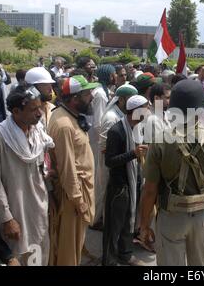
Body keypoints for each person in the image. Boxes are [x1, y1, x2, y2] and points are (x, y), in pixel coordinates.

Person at [140, 79, 204, 266]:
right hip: (202, 217)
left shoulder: (160, 141)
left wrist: (144, 226)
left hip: (171, 216)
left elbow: (149, 191)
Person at [0, 88, 53, 266]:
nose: (39, 113)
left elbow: (40, 163)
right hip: (15, 211)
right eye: (33, 109)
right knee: (16, 256)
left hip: (37, 207)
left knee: (37, 253)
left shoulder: (37, 131)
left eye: (40, 108)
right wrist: (7, 219)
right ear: (16, 111)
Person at [48, 75, 98, 266]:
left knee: (75, 245)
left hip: (76, 192)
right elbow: (67, 168)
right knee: (68, 250)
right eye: (87, 94)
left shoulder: (68, 115)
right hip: (72, 197)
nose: (91, 97)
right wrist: (79, 201)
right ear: (75, 98)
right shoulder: (64, 125)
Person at [102, 95, 149, 266]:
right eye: (145, 108)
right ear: (136, 111)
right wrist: (133, 154)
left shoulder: (136, 128)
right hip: (119, 186)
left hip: (132, 182)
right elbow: (110, 161)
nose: (148, 111)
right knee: (114, 226)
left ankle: (125, 254)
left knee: (129, 221)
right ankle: (110, 260)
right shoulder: (117, 131)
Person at [92, 85, 138, 230]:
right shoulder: (112, 117)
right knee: (106, 194)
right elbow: (104, 146)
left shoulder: (121, 114)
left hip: (121, 160)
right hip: (110, 163)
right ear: (123, 99)